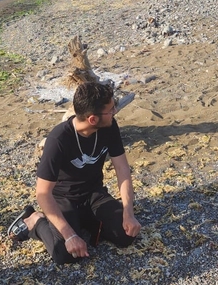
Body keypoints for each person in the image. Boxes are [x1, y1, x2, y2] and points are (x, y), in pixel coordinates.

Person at [8, 82, 141, 265]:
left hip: (94, 194)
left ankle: (83, 223)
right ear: (92, 119)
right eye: (110, 110)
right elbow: (43, 193)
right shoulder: (58, 139)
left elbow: (122, 169)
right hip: (63, 198)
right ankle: (36, 221)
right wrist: (69, 235)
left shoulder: (109, 127)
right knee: (65, 254)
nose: (115, 112)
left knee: (126, 235)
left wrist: (128, 212)